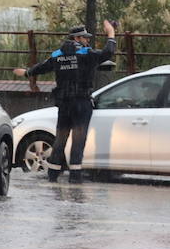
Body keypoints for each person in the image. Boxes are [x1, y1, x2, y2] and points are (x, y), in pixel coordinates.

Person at [14, 20, 117, 183]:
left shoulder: (57, 55)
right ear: (77, 38)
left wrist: (27, 72)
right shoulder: (86, 54)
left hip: (64, 103)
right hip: (82, 103)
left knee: (60, 139)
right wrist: (111, 34)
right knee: (78, 139)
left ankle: (53, 175)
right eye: (85, 38)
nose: (87, 40)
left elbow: (42, 67)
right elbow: (108, 53)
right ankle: (75, 177)